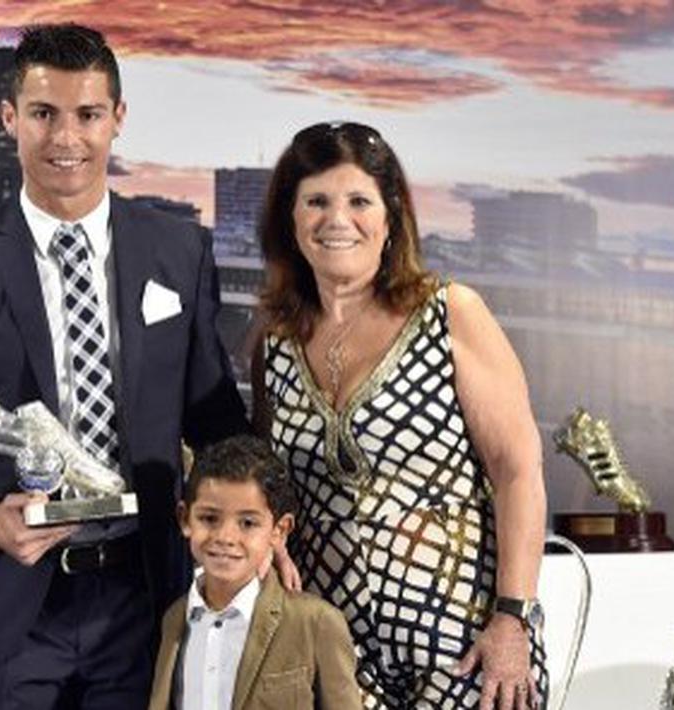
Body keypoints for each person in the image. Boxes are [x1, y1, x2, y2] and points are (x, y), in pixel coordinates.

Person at [0, 23, 249, 709]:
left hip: (143, 601)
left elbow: (214, 419)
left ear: (116, 118)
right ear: (8, 120)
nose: (65, 139)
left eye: (86, 115)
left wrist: (258, 513)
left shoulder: (179, 251)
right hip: (7, 602)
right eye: (42, 114)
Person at [251, 122, 549, 710]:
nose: (338, 219)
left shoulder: (450, 313)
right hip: (334, 654)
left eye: (359, 200)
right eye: (316, 201)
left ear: (391, 218)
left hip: (466, 649)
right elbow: (269, 482)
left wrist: (513, 619)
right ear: (291, 219)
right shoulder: (276, 343)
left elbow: (518, 471)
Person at [148, 435, 362, 710]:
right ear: (185, 519)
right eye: (209, 518)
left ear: (279, 530)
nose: (225, 536)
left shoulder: (315, 622)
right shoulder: (175, 619)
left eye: (247, 523)